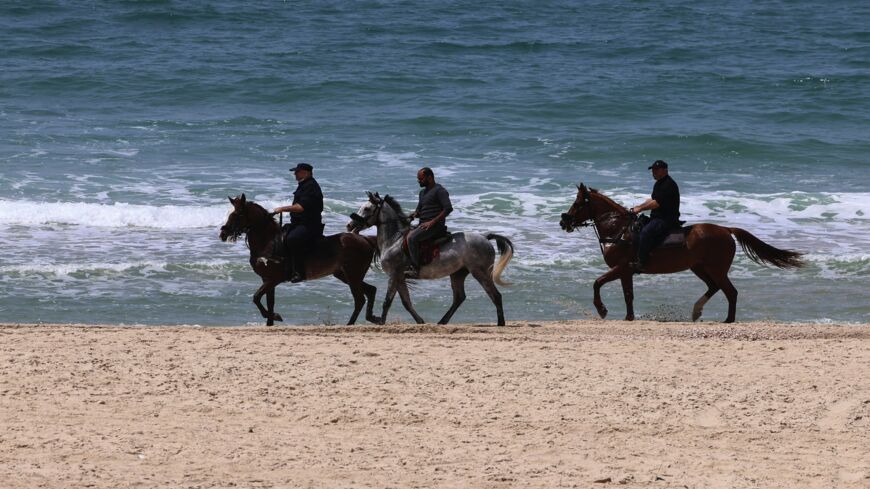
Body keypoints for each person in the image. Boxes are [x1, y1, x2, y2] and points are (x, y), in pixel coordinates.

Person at [273, 163, 323, 282]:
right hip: (298, 223)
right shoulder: (303, 185)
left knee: (293, 239)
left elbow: (300, 207)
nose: (295, 174)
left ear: (306, 172)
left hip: (310, 224)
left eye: (297, 171)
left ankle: (299, 272)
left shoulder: (311, 186)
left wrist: (282, 208)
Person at [629, 159, 681, 272]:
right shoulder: (659, 183)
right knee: (636, 226)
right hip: (657, 217)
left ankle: (641, 263)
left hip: (666, 219)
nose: (653, 173)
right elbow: (652, 199)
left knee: (646, 232)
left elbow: (656, 203)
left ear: (665, 170)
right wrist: (638, 207)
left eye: (656, 170)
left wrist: (640, 208)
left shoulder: (668, 184)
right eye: (653, 170)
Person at [405, 166, 453, 278]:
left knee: (411, 238)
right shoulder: (422, 193)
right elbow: (419, 211)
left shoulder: (440, 191)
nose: (419, 182)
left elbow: (448, 208)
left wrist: (432, 222)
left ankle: (415, 269)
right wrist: (414, 214)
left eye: (421, 179)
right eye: (418, 180)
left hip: (435, 226)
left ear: (430, 177)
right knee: (404, 234)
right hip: (423, 224)